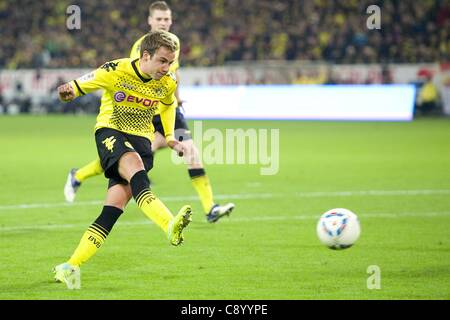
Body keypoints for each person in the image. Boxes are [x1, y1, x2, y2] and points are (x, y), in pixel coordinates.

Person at [64, 1, 234, 223]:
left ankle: (210, 207)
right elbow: (133, 79)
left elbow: (174, 73)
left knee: (191, 151)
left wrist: (176, 97)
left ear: (171, 21)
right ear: (150, 21)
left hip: (169, 108)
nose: (163, 23)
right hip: (144, 111)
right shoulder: (141, 47)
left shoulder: (174, 43)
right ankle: (78, 175)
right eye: (159, 19)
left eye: (166, 19)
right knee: (136, 155)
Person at [53, 31, 192, 289]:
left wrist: (171, 137)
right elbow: (78, 85)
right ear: (145, 56)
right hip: (110, 131)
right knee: (137, 170)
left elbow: (168, 104)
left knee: (111, 212)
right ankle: (168, 224)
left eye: (170, 62)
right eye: (162, 61)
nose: (167, 67)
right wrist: (67, 91)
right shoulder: (115, 69)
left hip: (141, 140)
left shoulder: (167, 82)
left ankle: (69, 266)